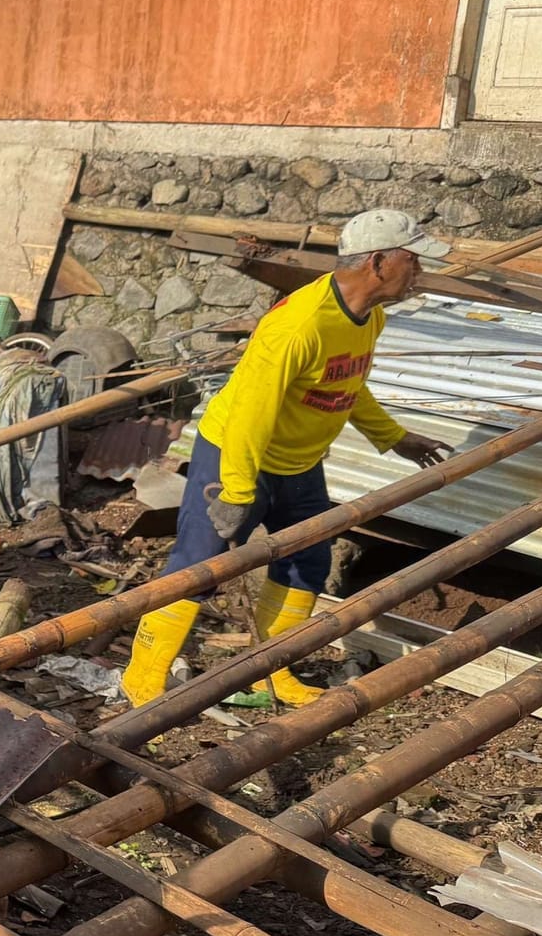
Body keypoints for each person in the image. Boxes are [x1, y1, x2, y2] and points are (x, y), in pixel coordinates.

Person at [120, 209, 455, 710]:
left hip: (298, 462)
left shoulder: (369, 317)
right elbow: (250, 416)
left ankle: (268, 674)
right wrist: (236, 490)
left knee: (307, 561)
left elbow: (346, 383)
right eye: (415, 262)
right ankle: (143, 676)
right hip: (235, 453)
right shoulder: (298, 327)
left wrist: (394, 437)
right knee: (199, 565)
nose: (421, 274)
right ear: (380, 263)